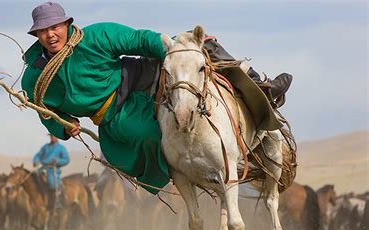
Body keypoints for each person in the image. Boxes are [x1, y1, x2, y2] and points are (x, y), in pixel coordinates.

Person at [22, 2, 292, 194]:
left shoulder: (96, 35)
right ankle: (197, 173)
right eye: (43, 30)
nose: (50, 34)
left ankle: (263, 89)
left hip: (142, 76)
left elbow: (139, 39)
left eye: (55, 26)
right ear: (36, 35)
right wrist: (63, 125)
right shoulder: (34, 77)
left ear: (67, 25)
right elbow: (44, 110)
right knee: (157, 139)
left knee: (200, 43)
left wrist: (175, 56)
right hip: (116, 114)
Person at [33, 133, 70, 210]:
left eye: (54, 136)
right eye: (51, 136)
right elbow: (38, 155)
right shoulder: (45, 147)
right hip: (43, 169)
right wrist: (36, 161)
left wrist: (57, 161)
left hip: (53, 170)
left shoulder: (61, 148)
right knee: (32, 181)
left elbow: (66, 160)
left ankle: (57, 202)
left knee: (52, 184)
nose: (52, 137)